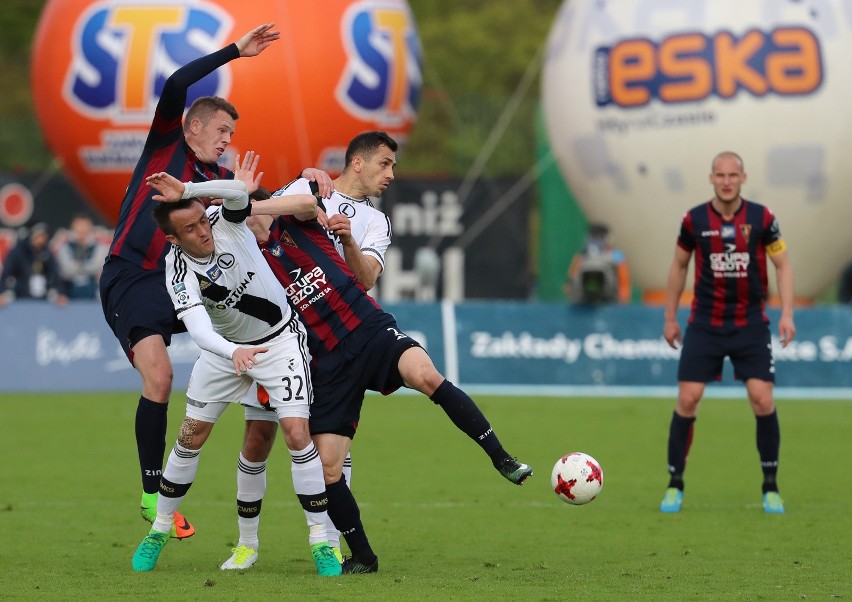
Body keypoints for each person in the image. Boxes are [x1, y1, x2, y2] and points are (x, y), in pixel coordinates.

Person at [150, 160, 534, 575]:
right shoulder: (246, 257)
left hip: (366, 330)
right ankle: (362, 557)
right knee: (328, 467)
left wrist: (261, 200)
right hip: (325, 363)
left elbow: (305, 200)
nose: (249, 226)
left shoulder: (299, 224)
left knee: (426, 376)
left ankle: (502, 458)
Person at [98, 22, 331, 540]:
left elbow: (280, 202)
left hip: (178, 280)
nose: (227, 141)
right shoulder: (165, 149)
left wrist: (307, 179)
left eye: (231, 135)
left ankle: (272, 384)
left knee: (254, 307)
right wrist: (234, 53)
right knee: (158, 378)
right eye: (221, 132)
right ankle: (150, 493)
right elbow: (177, 83)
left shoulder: (214, 183)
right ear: (192, 129)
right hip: (132, 277)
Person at [131, 158, 341, 576]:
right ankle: (158, 530)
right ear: (173, 240)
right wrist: (232, 354)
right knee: (191, 436)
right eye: (190, 230)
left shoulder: (222, 221)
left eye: (201, 222)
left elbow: (237, 197)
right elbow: (200, 331)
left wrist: (189, 191)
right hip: (224, 353)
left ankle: (319, 539)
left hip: (279, 342)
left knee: (296, 435)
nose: (203, 231)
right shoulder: (177, 271)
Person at [660, 151, 795, 514]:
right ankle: (675, 484)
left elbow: (782, 264)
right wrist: (670, 317)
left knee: (762, 399)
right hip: (704, 322)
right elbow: (678, 266)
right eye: (719, 175)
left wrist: (787, 313)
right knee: (688, 399)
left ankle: (770, 487)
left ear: (743, 177)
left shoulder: (762, 217)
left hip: (750, 322)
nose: (726, 181)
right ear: (711, 178)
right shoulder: (694, 219)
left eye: (732, 175)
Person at [0, 223, 67, 307]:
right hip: (20, 295)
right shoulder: (19, 251)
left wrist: (60, 293)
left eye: (43, 236)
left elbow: (55, 274)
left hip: (43, 297)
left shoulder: (47, 253)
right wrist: (2, 292)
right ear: (32, 235)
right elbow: (7, 273)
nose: (41, 239)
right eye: (39, 235)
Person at [563, 222, 631, 304]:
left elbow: (624, 283)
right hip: (582, 304)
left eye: (599, 237)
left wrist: (621, 303)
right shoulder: (580, 258)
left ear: (607, 239)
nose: (596, 241)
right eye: (593, 236)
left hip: (610, 302)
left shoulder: (617, 257)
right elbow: (570, 283)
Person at [55, 214, 108, 299]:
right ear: (73, 227)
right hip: (69, 294)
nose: (82, 229)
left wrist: (78, 265)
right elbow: (66, 270)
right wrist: (85, 266)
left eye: (85, 225)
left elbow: (97, 266)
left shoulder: (98, 247)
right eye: (79, 225)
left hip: (92, 294)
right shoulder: (65, 247)